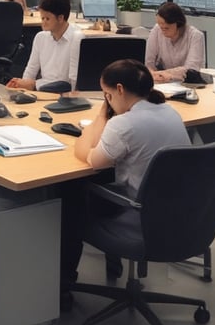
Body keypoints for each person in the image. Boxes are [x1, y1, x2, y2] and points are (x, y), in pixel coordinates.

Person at [60, 59, 190, 291]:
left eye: (107, 95)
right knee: (103, 179)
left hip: (138, 213)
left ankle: (65, 283)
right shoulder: (171, 113)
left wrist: (100, 118)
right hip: (179, 213)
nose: (107, 101)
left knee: (70, 193)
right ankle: (113, 263)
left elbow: (89, 158)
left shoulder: (123, 124)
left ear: (119, 90)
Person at [6, 0, 83, 92]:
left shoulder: (76, 39)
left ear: (60, 18)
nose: (43, 22)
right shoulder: (40, 38)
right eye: (42, 18)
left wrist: (34, 85)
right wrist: (23, 87)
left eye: (47, 18)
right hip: (42, 90)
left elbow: (72, 83)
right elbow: (31, 70)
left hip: (63, 93)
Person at [145, 2, 205, 83]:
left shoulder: (195, 36)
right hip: (162, 81)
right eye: (160, 26)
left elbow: (191, 69)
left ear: (178, 24)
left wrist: (162, 74)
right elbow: (149, 63)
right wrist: (152, 73)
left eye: (166, 28)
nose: (162, 31)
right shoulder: (157, 30)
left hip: (187, 83)